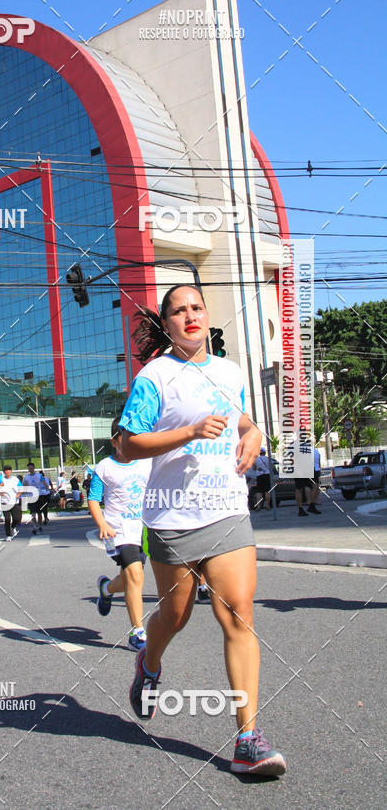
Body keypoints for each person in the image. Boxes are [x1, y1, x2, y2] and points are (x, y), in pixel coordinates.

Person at [119, 283, 286, 777]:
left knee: (237, 614)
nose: (189, 316)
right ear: (166, 324)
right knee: (174, 615)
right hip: (172, 516)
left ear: (206, 316)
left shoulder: (228, 372)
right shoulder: (156, 377)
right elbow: (128, 445)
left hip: (228, 511)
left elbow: (244, 423)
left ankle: (248, 739)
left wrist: (254, 433)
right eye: (178, 311)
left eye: (196, 307)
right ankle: (149, 664)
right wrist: (189, 432)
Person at [88, 418, 151, 651]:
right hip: (119, 529)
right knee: (135, 575)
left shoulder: (147, 462)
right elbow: (94, 498)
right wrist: (102, 523)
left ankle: (106, 589)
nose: (133, 443)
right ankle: (137, 633)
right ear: (115, 441)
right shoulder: (105, 467)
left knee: (130, 579)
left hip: (144, 528)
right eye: (127, 438)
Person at [295, 447, 322, 517]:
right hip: (299, 469)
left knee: (315, 486)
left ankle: (311, 506)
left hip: (311, 469)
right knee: (299, 489)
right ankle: (300, 509)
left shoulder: (314, 450)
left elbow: (318, 461)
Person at [1, 465, 23, 540]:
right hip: (4, 502)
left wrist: (18, 495)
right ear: (4, 472)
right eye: (6, 470)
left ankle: (13, 527)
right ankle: (8, 535)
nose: (7, 472)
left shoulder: (15, 480)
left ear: (11, 471)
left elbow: (21, 488)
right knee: (7, 519)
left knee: (16, 518)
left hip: (14, 502)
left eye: (9, 470)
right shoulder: (1, 480)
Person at [23, 462, 46, 533]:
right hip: (31, 497)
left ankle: (39, 525)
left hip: (38, 496)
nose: (30, 469)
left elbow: (44, 483)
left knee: (39, 513)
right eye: (29, 468)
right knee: (33, 513)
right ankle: (34, 527)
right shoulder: (26, 477)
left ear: (34, 468)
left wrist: (48, 489)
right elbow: (24, 486)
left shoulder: (39, 475)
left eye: (31, 468)